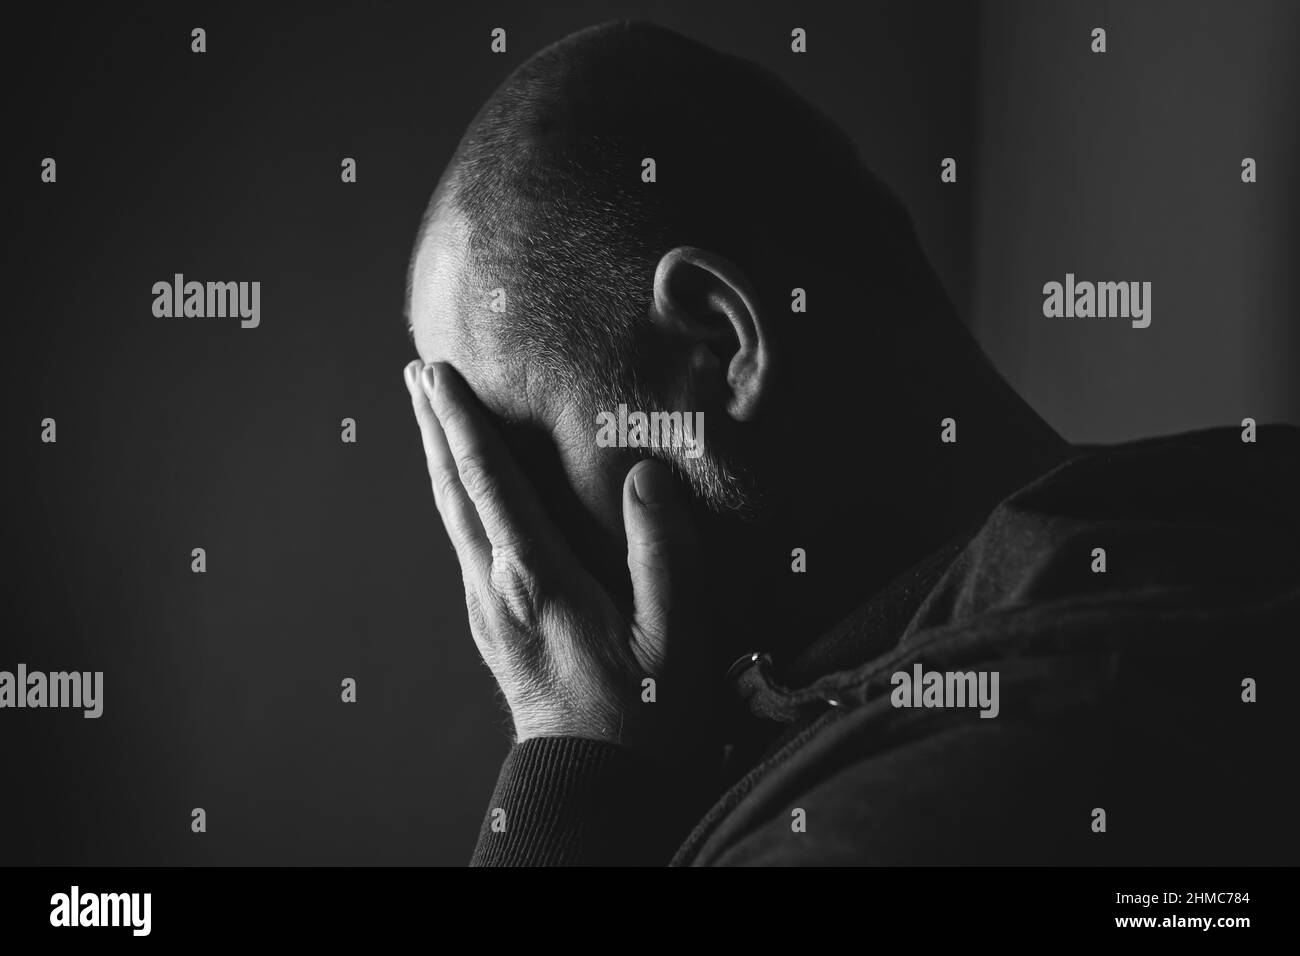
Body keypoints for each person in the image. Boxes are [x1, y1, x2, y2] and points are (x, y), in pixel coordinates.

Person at [400, 20, 1300, 865]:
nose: (508, 575)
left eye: (511, 464)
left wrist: (572, 767)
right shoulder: (1205, 542)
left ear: (719, 350)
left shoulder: (937, 801)